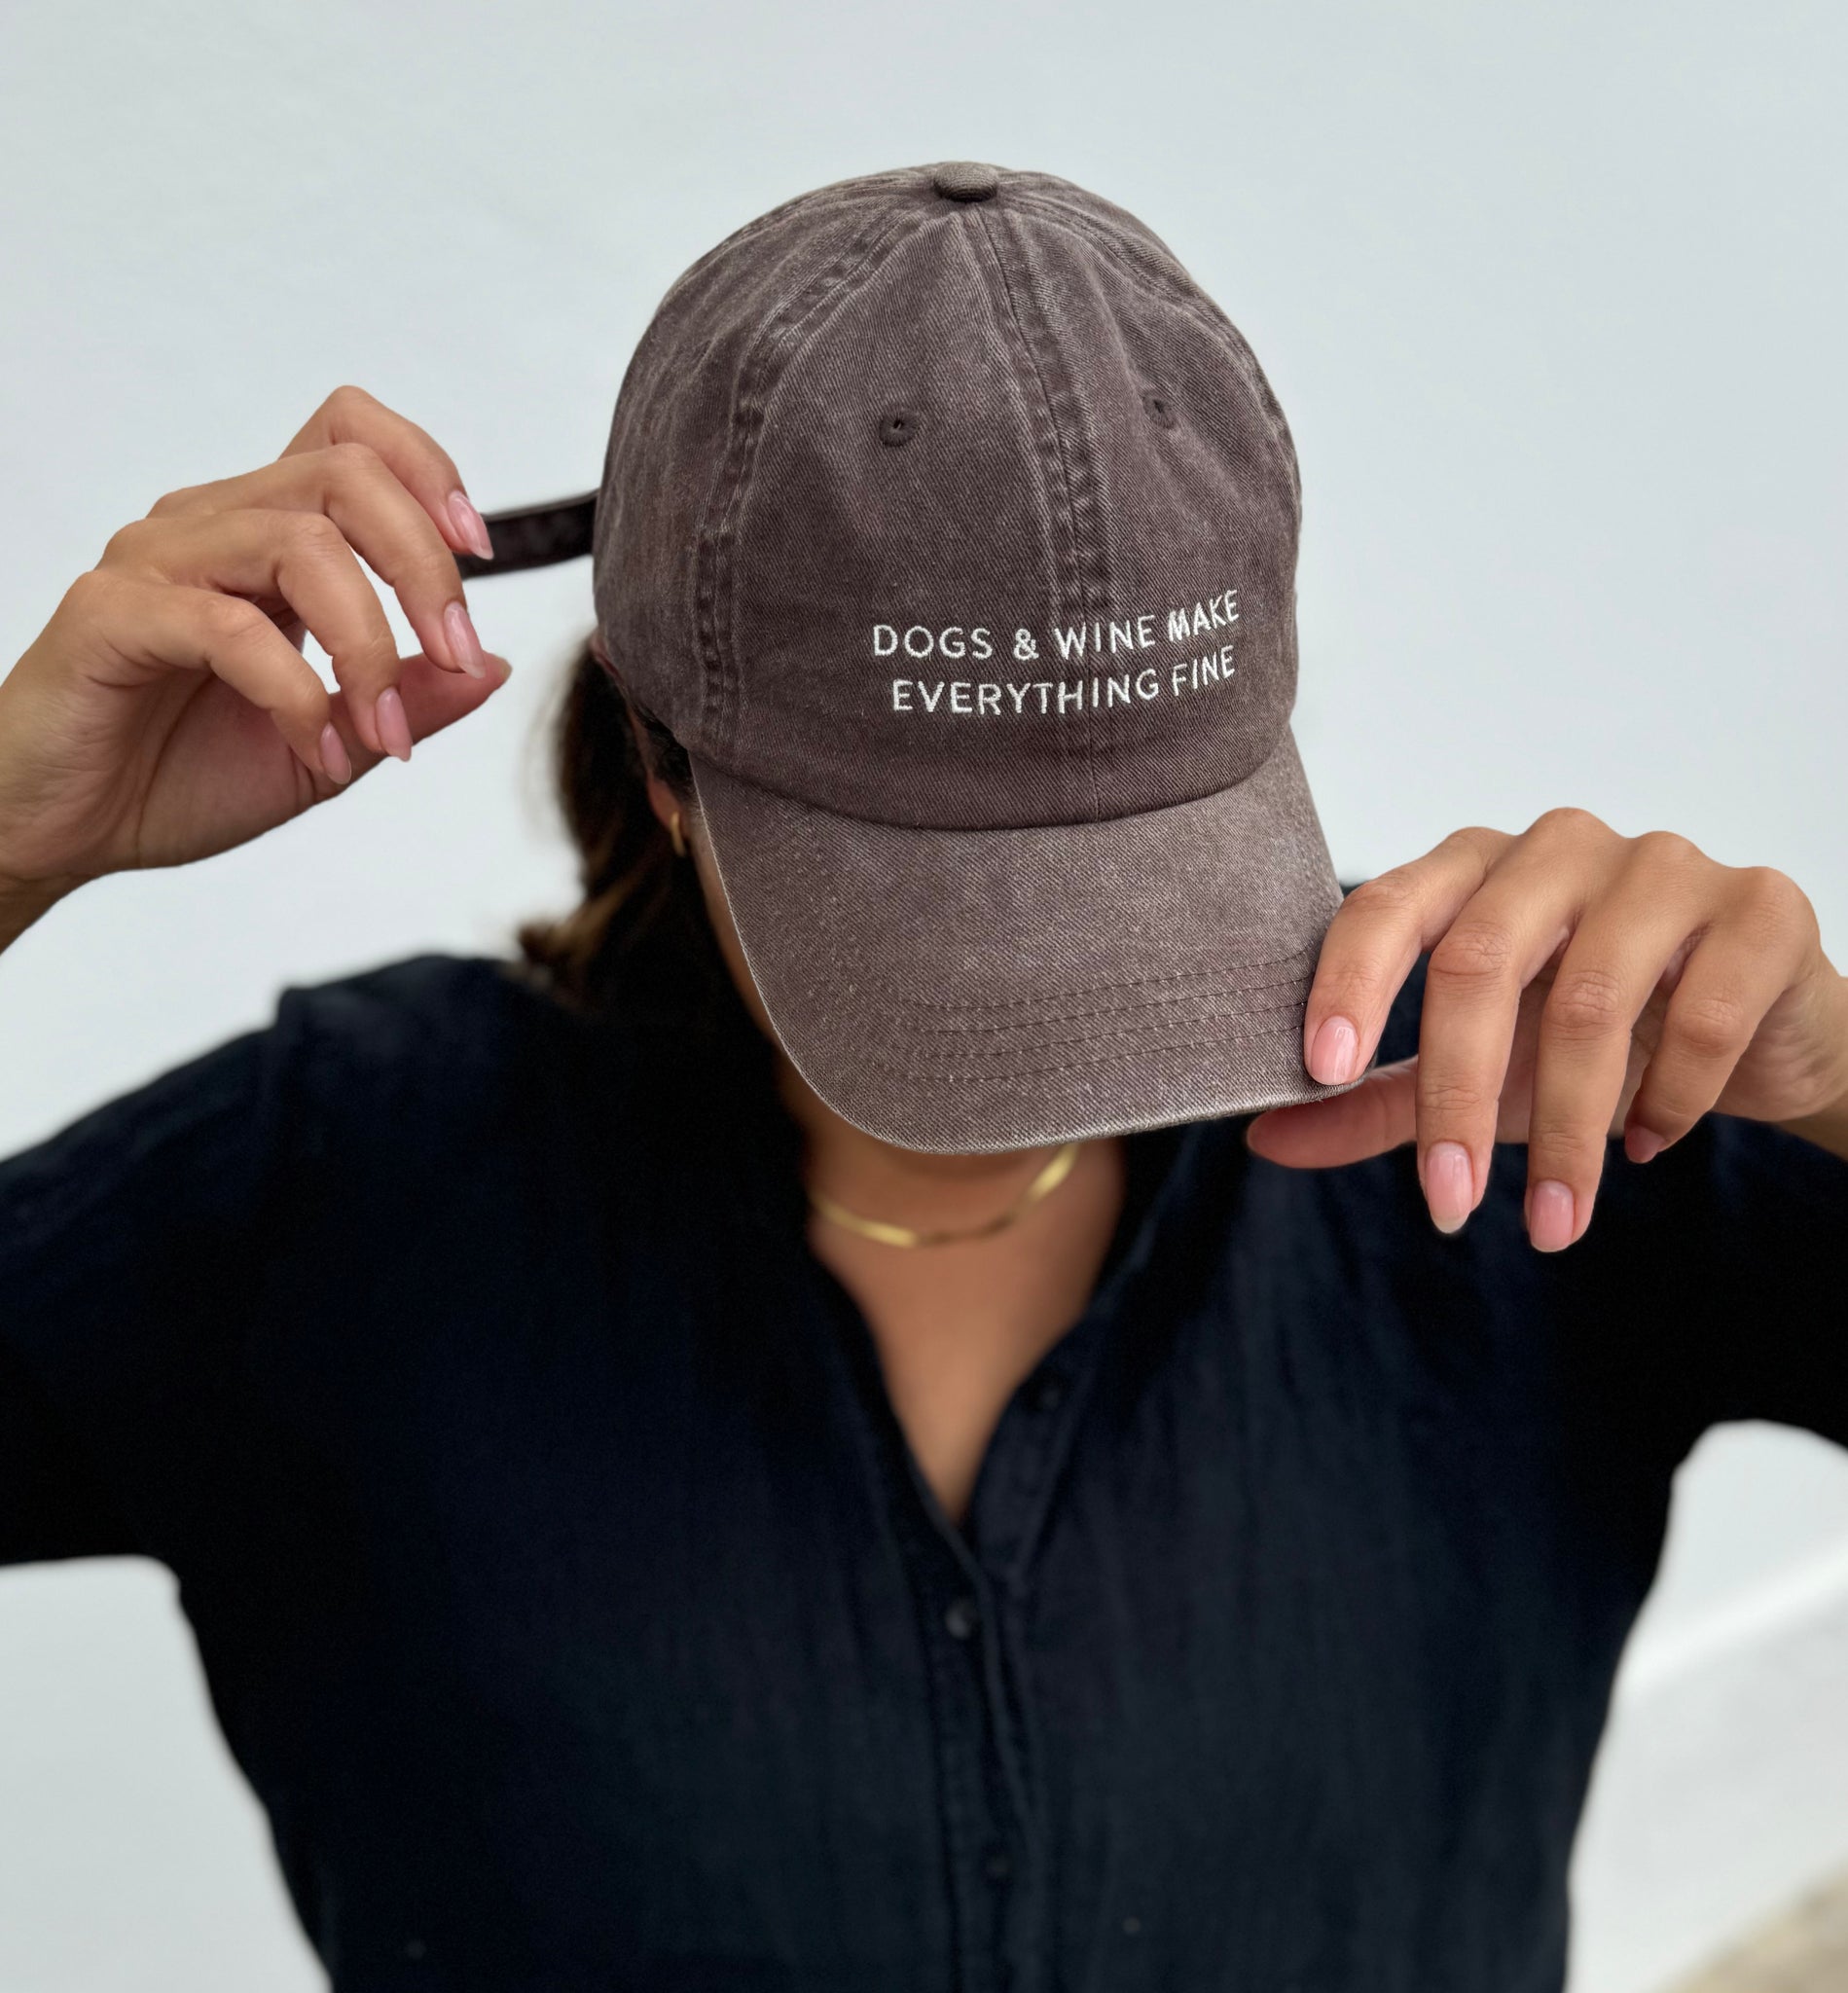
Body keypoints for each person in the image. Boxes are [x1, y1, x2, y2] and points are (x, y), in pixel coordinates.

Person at [0, 161, 1842, 1993]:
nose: (1054, 1018)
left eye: (1132, 854)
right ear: (658, 756)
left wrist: (1837, 1082)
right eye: (931, 881)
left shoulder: (1537, 1106)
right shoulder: (328, 1191)